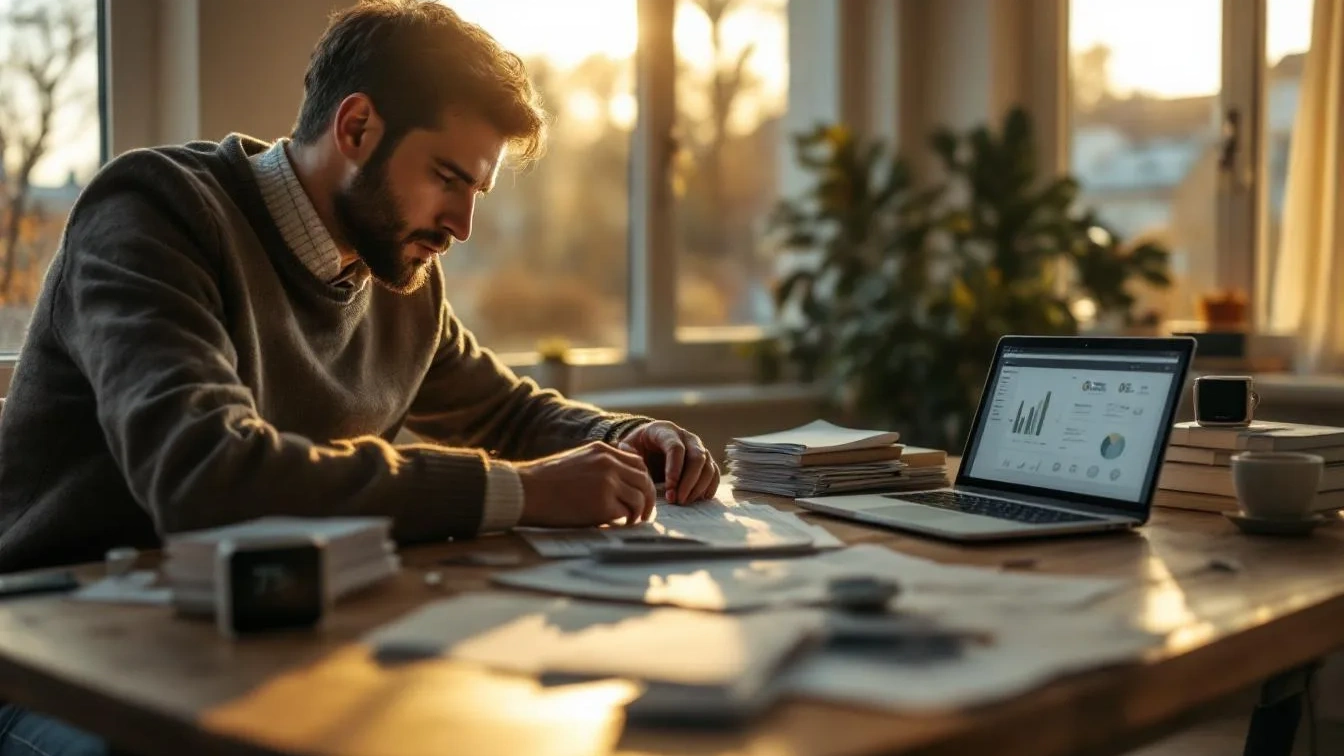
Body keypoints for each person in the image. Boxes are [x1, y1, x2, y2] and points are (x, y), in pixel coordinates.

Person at [0, 1, 720, 752]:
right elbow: (205, 476)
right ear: (356, 129)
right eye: (448, 178)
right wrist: (522, 490)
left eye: (476, 192)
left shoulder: (395, 275)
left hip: (251, 635)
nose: (462, 226)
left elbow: (505, 413)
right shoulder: (154, 215)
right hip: (55, 659)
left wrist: (626, 436)